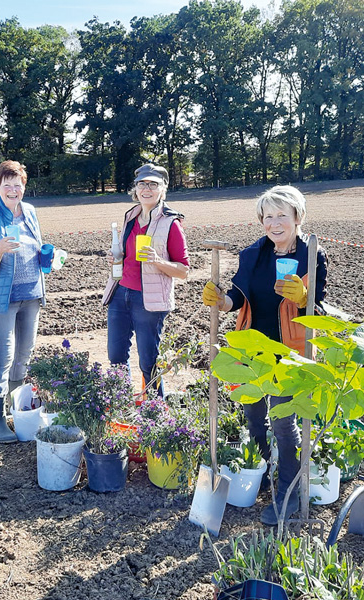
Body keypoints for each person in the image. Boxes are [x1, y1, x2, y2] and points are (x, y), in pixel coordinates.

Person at [202, 185, 327, 525]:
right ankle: (264, 473)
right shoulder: (252, 255)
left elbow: (317, 308)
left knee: (285, 424)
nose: (274, 223)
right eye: (267, 216)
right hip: (253, 351)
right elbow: (237, 300)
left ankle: (287, 489)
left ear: (297, 218)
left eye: (282, 215)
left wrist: (304, 296)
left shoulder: (311, 255)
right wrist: (220, 300)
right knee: (254, 418)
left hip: (291, 351)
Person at [103, 163, 190, 399]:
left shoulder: (171, 223)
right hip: (121, 293)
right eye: (142, 183)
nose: (147, 188)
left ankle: (154, 412)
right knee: (116, 356)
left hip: (149, 300)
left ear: (163, 189)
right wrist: (117, 255)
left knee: (148, 360)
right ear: (136, 188)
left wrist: (158, 260)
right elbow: (125, 254)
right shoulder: (130, 216)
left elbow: (183, 270)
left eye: (153, 184)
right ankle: (121, 404)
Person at [0, 160, 46, 443]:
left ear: (24, 187)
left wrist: (47, 256)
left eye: (18, 185)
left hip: (31, 295)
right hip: (3, 300)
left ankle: (18, 414)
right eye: (7, 186)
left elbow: (36, 249)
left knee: (23, 357)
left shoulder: (29, 212)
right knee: (2, 357)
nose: (13, 191)